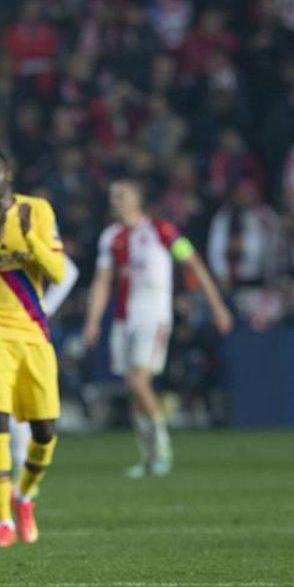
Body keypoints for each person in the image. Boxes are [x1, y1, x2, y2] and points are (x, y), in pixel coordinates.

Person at [82, 179, 233, 477]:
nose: (116, 200)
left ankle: (162, 446)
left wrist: (217, 306)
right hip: (123, 319)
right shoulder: (111, 237)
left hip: (153, 316)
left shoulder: (163, 231)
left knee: (139, 381)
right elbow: (102, 281)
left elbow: (194, 265)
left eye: (122, 194)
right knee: (132, 387)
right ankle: (148, 457)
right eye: (113, 195)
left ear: (138, 198)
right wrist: (93, 321)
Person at [0, 149, 75, 548]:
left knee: (45, 430)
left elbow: (58, 271)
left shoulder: (37, 210)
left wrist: (29, 241)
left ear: (8, 172)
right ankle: (2, 521)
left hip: (33, 331)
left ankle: (24, 497)